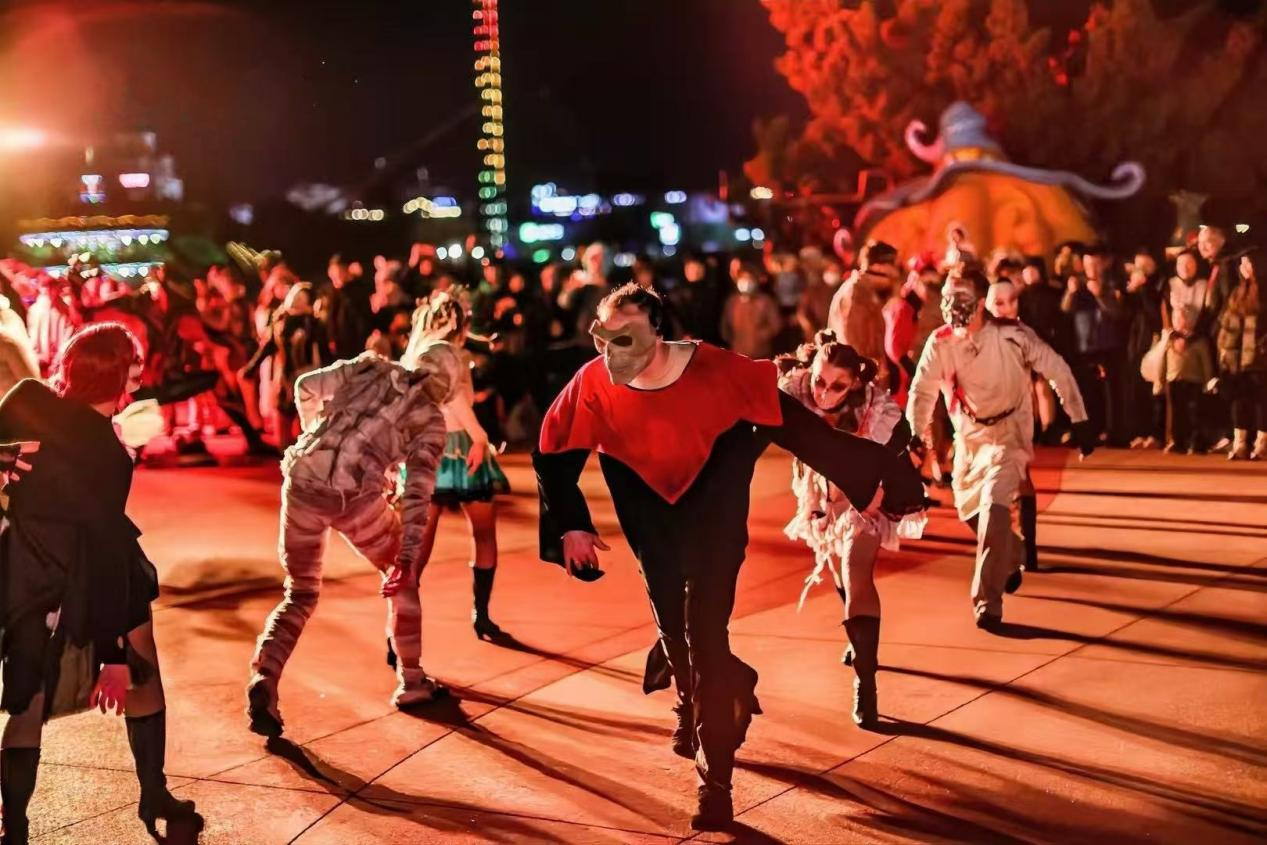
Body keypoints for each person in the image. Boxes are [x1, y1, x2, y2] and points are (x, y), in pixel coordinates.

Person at [533, 284, 923, 830]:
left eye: (624, 337)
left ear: (657, 333)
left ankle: (715, 783)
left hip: (714, 527)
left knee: (707, 640)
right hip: (651, 530)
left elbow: (799, 429)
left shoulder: (717, 370)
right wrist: (571, 524)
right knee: (674, 633)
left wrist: (867, 479)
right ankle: (694, 701)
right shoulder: (594, 383)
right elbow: (553, 453)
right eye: (602, 337)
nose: (609, 351)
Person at [0, 325, 201, 842]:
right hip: (89, 570)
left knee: (27, 697)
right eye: (134, 361)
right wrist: (111, 656)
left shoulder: (28, 398)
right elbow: (106, 550)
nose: (141, 370)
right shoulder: (108, 454)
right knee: (141, 671)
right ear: (115, 375)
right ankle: (153, 793)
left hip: (26, 570)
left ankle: (14, 827)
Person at [246, 328, 452, 738]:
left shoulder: (370, 366)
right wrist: (407, 558)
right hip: (354, 497)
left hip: (302, 481)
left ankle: (265, 675)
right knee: (400, 578)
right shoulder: (430, 420)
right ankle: (412, 680)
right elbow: (417, 495)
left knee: (301, 592)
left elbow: (306, 386)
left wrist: (315, 439)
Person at [910, 270, 1093, 627]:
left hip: (1009, 434)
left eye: (961, 297)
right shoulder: (940, 342)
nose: (952, 305)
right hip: (968, 439)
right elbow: (922, 391)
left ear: (980, 303)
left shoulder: (1013, 335)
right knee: (970, 512)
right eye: (947, 296)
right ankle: (1013, 551)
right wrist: (914, 435)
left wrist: (1079, 419)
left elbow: (1057, 369)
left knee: (994, 508)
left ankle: (987, 602)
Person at [777, 333, 925, 727]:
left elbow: (894, 457)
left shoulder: (877, 411)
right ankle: (859, 644)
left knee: (856, 572)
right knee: (840, 575)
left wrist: (880, 491)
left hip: (866, 502)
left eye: (837, 386)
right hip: (821, 499)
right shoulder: (794, 391)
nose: (824, 393)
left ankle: (866, 685)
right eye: (819, 381)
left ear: (855, 383)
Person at [396, 291, 510, 640]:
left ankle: (400, 621)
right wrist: (480, 436)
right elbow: (457, 400)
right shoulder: (450, 354)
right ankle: (482, 615)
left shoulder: (415, 355)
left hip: (427, 449)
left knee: (419, 541)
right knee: (483, 533)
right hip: (460, 447)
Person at [242, 283, 330, 450]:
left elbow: (324, 351)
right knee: (283, 416)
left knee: (305, 421)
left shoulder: (313, 323)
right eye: (295, 296)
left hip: (307, 376)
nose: (296, 300)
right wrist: (252, 367)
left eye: (302, 298)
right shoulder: (280, 322)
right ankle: (285, 452)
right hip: (284, 376)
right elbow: (269, 346)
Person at [1062, 246, 1127, 446]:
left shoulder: (1113, 283)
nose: (1092, 268)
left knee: (1110, 393)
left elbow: (1118, 313)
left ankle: (1113, 433)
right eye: (1088, 263)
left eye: (1096, 264)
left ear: (1104, 264)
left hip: (1108, 344)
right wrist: (1070, 293)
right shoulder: (1078, 283)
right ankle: (1089, 431)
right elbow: (1065, 309)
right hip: (1085, 345)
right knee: (1087, 391)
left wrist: (1100, 295)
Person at [1215, 249, 1266, 460]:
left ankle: (1262, 444)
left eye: (1249, 264)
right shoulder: (1237, 291)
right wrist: (1223, 349)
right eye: (1242, 264)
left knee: (1262, 401)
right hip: (1236, 358)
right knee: (1239, 400)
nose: (1245, 268)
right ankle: (1240, 443)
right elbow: (1227, 322)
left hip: (1259, 358)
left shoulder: (1263, 292)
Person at [827, 240, 900, 379]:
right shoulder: (857, 296)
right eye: (894, 266)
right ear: (879, 267)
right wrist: (873, 373)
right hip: (860, 377)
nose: (896, 273)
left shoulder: (867, 293)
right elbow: (856, 347)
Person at [1147, 306, 1214, 454]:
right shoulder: (1169, 339)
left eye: (1182, 318)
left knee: (1195, 413)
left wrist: (1209, 380)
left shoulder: (1199, 340)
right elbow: (1162, 360)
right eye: (1176, 318)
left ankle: (1196, 442)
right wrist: (1159, 380)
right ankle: (1177, 441)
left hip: (1194, 380)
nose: (1179, 321)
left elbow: (1206, 361)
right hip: (1174, 380)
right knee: (1176, 414)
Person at [720, 265, 781, 359]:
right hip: (737, 353)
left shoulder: (765, 301)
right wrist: (730, 339)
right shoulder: (732, 301)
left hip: (760, 354)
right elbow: (725, 325)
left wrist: (761, 336)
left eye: (749, 278)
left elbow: (776, 325)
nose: (746, 282)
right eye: (743, 278)